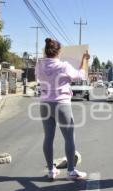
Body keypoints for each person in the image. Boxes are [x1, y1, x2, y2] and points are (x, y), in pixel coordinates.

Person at [35, 38, 89, 180]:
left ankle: (51, 170)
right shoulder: (63, 66)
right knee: (69, 137)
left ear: (46, 51)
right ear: (58, 51)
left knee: (48, 137)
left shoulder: (39, 65)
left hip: (45, 103)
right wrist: (84, 60)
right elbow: (80, 76)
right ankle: (71, 171)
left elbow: (38, 79)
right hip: (61, 104)